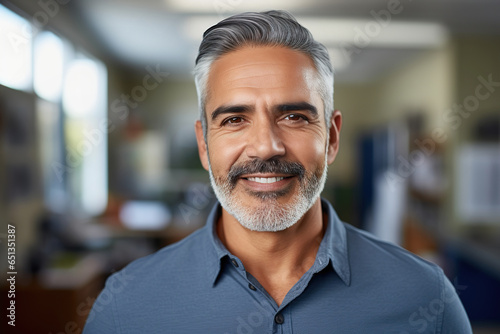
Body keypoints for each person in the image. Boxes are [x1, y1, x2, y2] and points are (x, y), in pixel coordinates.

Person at [83, 10, 472, 333]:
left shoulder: (427, 300)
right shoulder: (125, 307)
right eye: (235, 119)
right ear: (204, 144)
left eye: (294, 116)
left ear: (332, 137)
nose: (266, 145)